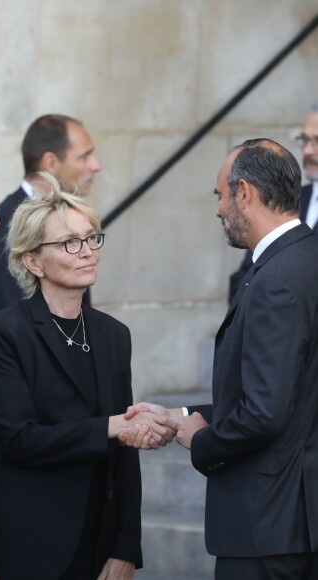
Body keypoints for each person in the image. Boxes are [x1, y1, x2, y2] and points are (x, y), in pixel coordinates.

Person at [125, 139, 318, 579]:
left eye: (220, 195)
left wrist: (201, 441)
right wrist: (183, 415)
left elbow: (265, 412)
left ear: (244, 193)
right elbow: (287, 390)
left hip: (269, 528)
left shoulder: (277, 280)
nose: (217, 210)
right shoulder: (304, 259)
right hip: (291, 524)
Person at [0, 175, 176, 580]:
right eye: (70, 243)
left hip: (101, 542)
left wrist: (126, 546)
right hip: (33, 544)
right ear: (33, 261)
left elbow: (126, 453)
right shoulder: (5, 332)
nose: (87, 252)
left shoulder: (114, 334)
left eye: (91, 238)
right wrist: (111, 426)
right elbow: (17, 439)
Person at [0, 114, 101, 322]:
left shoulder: (76, 218)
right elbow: (7, 327)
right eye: (84, 157)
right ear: (51, 162)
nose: (96, 166)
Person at [228, 104, 318, 301]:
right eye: (304, 140)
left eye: (317, 141)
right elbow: (246, 272)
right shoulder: (287, 198)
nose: (308, 151)